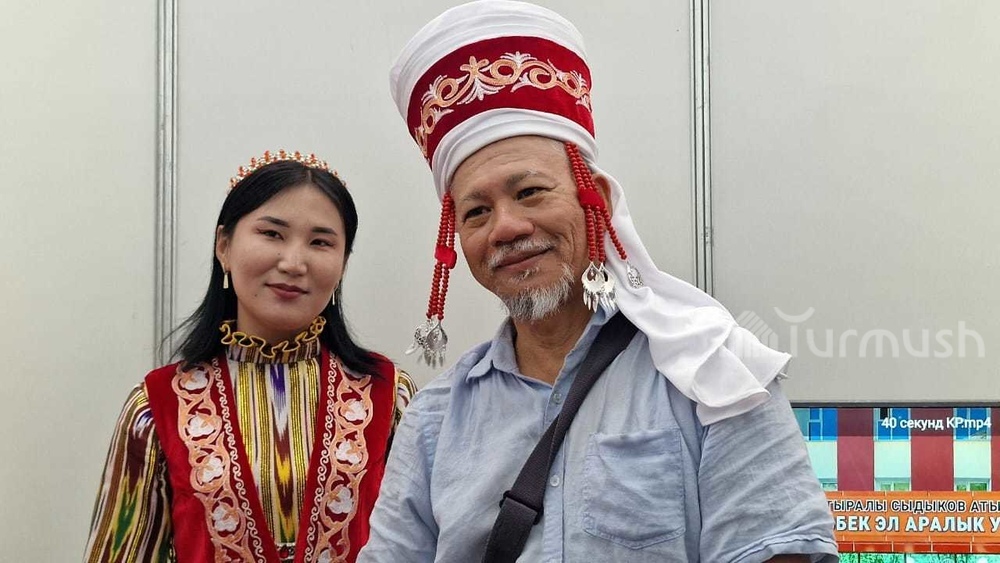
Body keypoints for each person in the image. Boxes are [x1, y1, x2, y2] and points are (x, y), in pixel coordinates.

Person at [358, 2, 838, 562]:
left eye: (530, 192)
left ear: (598, 201)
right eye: (476, 212)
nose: (506, 227)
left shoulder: (712, 373)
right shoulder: (435, 422)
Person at [85, 150, 415, 563]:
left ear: (343, 263)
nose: (293, 263)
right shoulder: (157, 407)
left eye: (320, 242)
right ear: (224, 246)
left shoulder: (388, 395)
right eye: (272, 234)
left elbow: (420, 543)